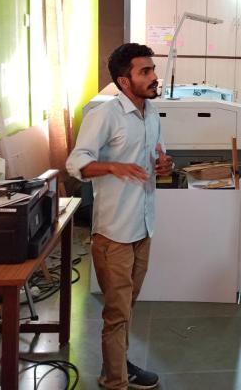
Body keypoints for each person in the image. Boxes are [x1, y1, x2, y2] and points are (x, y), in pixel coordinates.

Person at [66, 43, 173, 390]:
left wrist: (164, 164)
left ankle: (119, 365)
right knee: (116, 313)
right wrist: (112, 164)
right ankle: (115, 381)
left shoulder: (152, 113)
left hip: (144, 225)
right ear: (125, 81)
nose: (155, 76)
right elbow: (75, 162)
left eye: (153, 69)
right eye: (146, 71)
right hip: (114, 234)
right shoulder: (105, 115)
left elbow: (158, 156)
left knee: (127, 308)